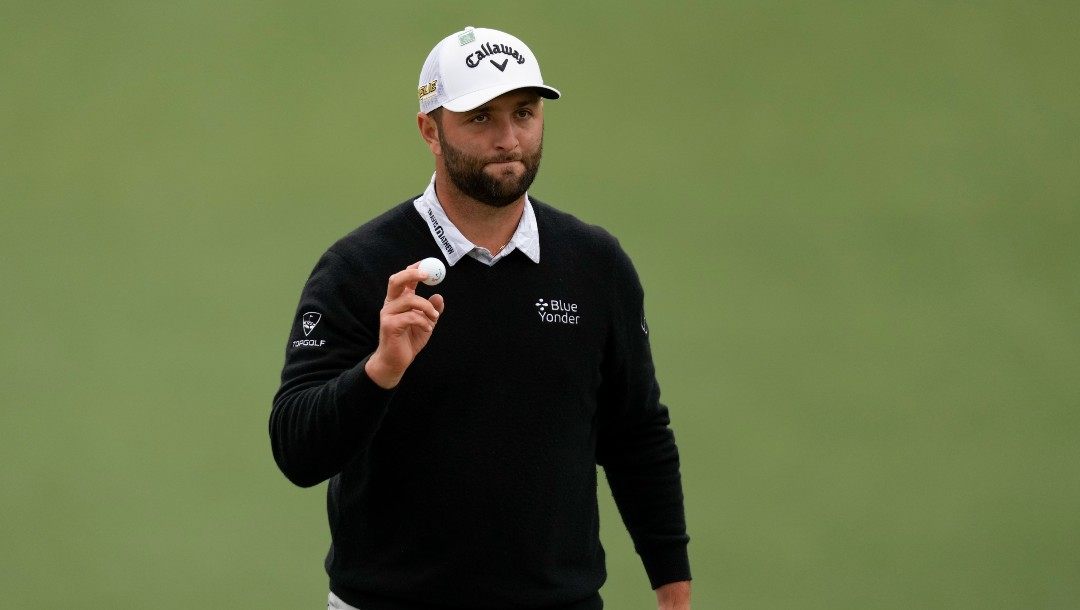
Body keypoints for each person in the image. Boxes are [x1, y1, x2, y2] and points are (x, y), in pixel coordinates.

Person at [270, 26, 691, 610]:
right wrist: (380, 370)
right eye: (480, 118)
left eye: (524, 113)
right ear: (430, 131)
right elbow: (296, 450)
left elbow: (637, 434)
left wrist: (673, 591)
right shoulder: (358, 268)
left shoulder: (595, 265)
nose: (508, 139)